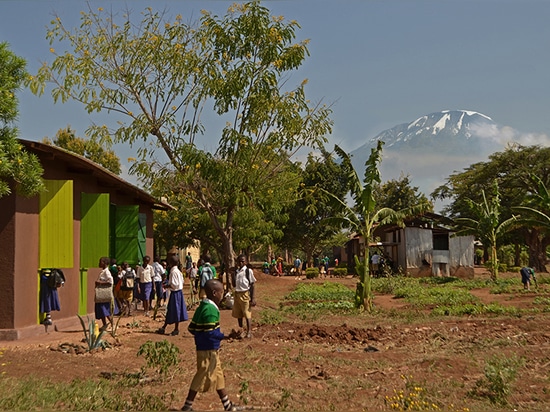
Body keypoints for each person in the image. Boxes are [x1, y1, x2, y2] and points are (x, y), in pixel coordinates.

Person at [181, 279, 238, 412]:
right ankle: (187, 406)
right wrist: (225, 336)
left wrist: (199, 336)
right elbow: (210, 333)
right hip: (208, 349)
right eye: (221, 292)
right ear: (214, 293)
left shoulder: (202, 306)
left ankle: (227, 405)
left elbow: (192, 328)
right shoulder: (211, 310)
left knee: (218, 375)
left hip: (206, 347)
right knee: (201, 375)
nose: (222, 295)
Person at [156, 255, 188, 336]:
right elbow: (182, 282)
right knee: (172, 311)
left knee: (175, 311)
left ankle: (175, 329)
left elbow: (174, 285)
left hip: (175, 293)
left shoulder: (173, 272)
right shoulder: (179, 272)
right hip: (179, 293)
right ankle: (164, 327)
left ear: (171, 263)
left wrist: (167, 286)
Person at [231, 254, 256, 339]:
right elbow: (234, 284)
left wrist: (252, 298)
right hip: (237, 293)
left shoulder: (248, 271)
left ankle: (249, 331)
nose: (241, 263)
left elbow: (252, 285)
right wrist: (232, 274)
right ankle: (241, 329)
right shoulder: (237, 272)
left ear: (246, 262)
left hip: (245, 293)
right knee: (238, 313)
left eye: (243, 261)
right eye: (239, 261)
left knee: (246, 312)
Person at [96, 256, 114, 330]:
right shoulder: (103, 271)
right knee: (101, 310)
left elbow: (110, 282)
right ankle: (105, 325)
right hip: (100, 296)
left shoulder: (107, 272)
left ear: (104, 263)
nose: (99, 263)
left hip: (104, 295)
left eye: (100, 262)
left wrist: (100, 283)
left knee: (105, 310)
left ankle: (113, 325)